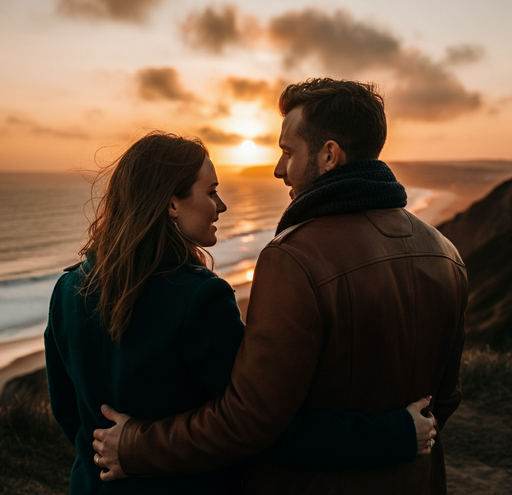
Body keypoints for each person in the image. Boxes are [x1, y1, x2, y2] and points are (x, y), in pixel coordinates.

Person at [93, 79, 464, 494]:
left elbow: (249, 421)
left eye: (288, 152)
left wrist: (139, 447)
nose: (278, 168)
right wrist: (399, 438)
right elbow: (444, 400)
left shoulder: (294, 258)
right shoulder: (445, 252)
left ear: (328, 155)